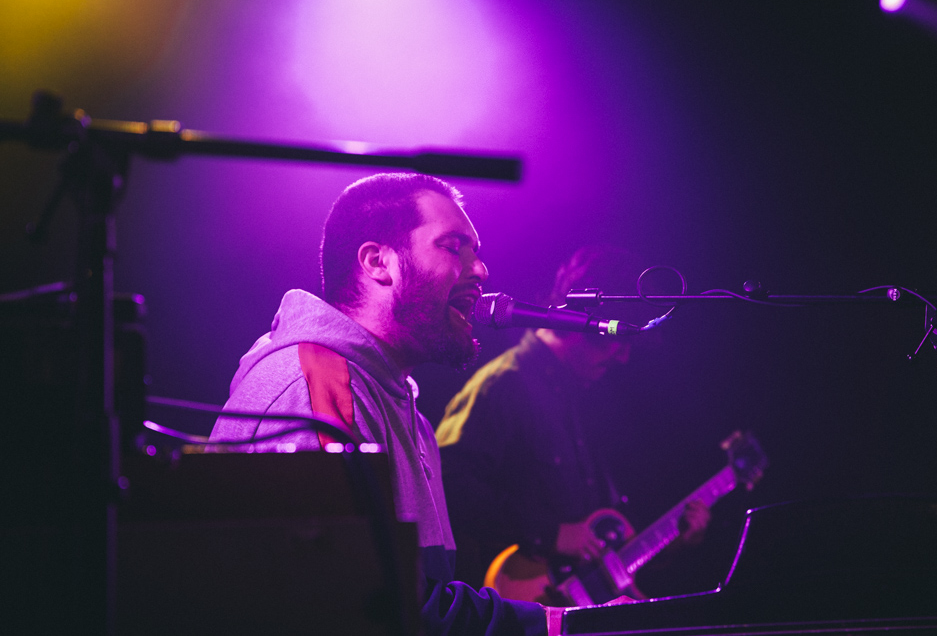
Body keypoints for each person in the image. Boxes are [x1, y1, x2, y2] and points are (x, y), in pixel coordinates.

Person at [210, 173, 556, 634]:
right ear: (378, 262)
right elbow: (349, 604)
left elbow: (410, 597)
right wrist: (547, 626)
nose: (480, 271)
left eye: (477, 251)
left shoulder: (402, 410)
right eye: (454, 246)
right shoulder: (318, 384)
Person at [435, 245, 710, 602]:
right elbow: (447, 483)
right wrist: (549, 534)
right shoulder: (504, 384)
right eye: (618, 342)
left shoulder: (576, 391)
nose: (623, 358)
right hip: (518, 600)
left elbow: (597, 539)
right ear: (584, 326)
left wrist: (671, 542)